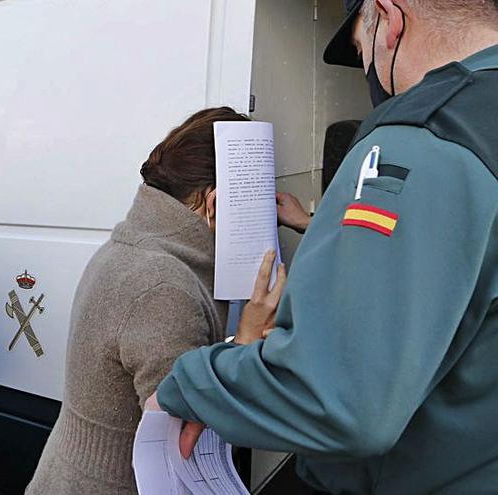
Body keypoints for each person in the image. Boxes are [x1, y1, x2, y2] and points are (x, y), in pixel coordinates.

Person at [150, 1, 498, 493]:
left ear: (388, 19)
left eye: (360, 49)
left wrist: (192, 386)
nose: (367, 70)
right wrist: (312, 223)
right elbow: (464, 264)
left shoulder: (422, 136)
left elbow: (340, 398)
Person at [26, 107, 286, 494]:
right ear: (214, 204)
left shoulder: (136, 246)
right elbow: (185, 430)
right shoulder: (165, 286)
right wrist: (248, 342)